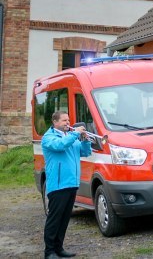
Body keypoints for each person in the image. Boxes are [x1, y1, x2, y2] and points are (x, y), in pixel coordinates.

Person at [42, 111, 91, 259]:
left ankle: (59, 248)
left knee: (64, 219)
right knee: (55, 219)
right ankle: (49, 251)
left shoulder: (71, 137)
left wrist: (85, 140)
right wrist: (75, 134)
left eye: (68, 120)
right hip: (58, 185)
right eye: (64, 120)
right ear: (55, 122)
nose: (67, 123)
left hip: (72, 183)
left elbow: (85, 152)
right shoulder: (49, 138)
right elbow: (60, 146)